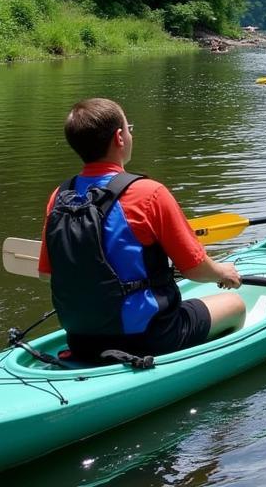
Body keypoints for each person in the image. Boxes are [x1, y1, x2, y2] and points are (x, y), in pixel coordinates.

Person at [37, 99, 245, 363]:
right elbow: (196, 270)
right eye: (129, 128)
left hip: (80, 340)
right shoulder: (149, 193)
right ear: (119, 138)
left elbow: (46, 274)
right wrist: (225, 273)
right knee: (236, 306)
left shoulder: (60, 196)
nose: (130, 133)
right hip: (150, 337)